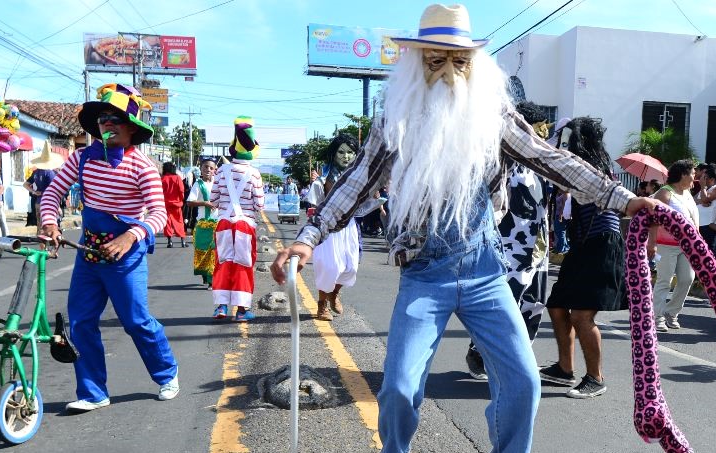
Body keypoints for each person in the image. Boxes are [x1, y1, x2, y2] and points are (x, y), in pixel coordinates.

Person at [270, 5, 659, 452]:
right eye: (436, 59)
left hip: (484, 273)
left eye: (460, 60)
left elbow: (553, 161)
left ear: (475, 65)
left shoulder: (492, 116)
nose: (449, 72)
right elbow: (356, 182)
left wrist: (622, 198)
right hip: (424, 275)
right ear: (418, 63)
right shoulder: (395, 119)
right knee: (398, 388)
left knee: (523, 382)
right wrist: (306, 238)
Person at [39, 83, 179, 412]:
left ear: (131, 127)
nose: (107, 124)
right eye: (103, 118)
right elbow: (52, 193)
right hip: (89, 253)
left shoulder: (142, 167)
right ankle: (92, 392)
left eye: (115, 118)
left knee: (135, 321)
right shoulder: (81, 158)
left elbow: (159, 214)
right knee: (81, 322)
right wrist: (50, 224)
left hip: (125, 257)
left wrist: (130, 236)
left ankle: (167, 373)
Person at [540, 117, 633, 400]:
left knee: (582, 315)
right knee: (556, 306)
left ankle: (596, 378)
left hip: (602, 245)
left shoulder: (595, 170)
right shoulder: (582, 168)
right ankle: (564, 369)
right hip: (582, 245)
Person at [465, 101, 554, 381]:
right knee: (502, 303)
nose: (541, 136)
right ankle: (483, 355)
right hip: (506, 246)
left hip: (536, 248)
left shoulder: (541, 162)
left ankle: (516, 358)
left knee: (533, 302)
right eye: (538, 130)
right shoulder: (499, 158)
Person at [210, 116, 265, 322]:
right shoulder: (254, 174)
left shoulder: (222, 171)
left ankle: (221, 307)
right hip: (245, 225)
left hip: (224, 222)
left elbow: (214, 199)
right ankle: (242, 311)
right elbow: (259, 205)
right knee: (243, 264)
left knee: (223, 263)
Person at [305, 133, 363, 321]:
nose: (346, 156)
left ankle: (334, 293)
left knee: (350, 267)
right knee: (329, 267)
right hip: (327, 228)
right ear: (334, 154)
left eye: (350, 152)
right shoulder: (322, 181)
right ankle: (322, 305)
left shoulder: (360, 177)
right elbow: (313, 206)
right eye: (341, 152)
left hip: (349, 227)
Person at [648, 160, 699, 332]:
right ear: (683, 174)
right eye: (692, 173)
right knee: (665, 280)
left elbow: (693, 219)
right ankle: (658, 317)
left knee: (687, 279)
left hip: (687, 245)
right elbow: (654, 220)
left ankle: (671, 312)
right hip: (665, 245)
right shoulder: (664, 193)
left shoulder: (687, 193)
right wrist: (652, 244)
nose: (695, 177)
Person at [187, 157, 219, 288]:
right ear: (201, 168)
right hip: (202, 224)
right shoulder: (198, 184)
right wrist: (204, 203)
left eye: (211, 168)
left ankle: (212, 280)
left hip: (217, 223)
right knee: (202, 252)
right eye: (205, 167)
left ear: (214, 170)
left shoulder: (218, 184)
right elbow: (189, 202)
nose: (208, 170)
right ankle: (205, 276)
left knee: (214, 251)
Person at [24, 141, 64, 231]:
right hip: (49, 203)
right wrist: (58, 207)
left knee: (40, 227)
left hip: (38, 202)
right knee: (50, 228)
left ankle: (42, 244)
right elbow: (54, 190)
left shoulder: (36, 172)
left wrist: (33, 192)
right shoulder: (50, 173)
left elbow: (25, 184)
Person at [695, 163, 716, 250]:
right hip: (699, 224)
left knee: (708, 251)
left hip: (709, 226)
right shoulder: (705, 189)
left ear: (711, 179)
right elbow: (692, 200)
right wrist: (701, 201)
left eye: (705, 177)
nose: (702, 179)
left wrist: (702, 186)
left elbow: (705, 199)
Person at [161, 162, 187, 248]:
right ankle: (183, 241)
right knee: (179, 221)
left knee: (167, 223)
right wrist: (181, 199)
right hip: (177, 204)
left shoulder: (163, 178)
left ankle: (170, 242)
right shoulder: (177, 178)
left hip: (165, 204)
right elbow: (181, 190)